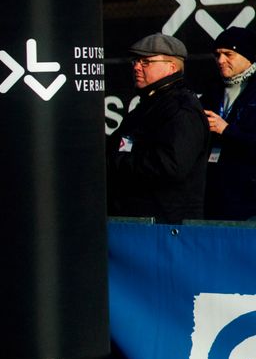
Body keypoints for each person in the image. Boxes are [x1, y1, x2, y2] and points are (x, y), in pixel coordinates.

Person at [108, 32, 208, 220]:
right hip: (137, 220)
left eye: (146, 62)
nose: (137, 67)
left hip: (166, 228)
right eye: (135, 61)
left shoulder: (181, 109)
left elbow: (171, 166)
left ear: (171, 67)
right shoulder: (146, 106)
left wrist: (118, 160)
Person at [202, 24, 256, 220]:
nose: (220, 60)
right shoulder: (212, 89)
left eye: (228, 54)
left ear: (247, 56)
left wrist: (227, 130)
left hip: (249, 197)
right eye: (217, 55)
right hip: (217, 193)